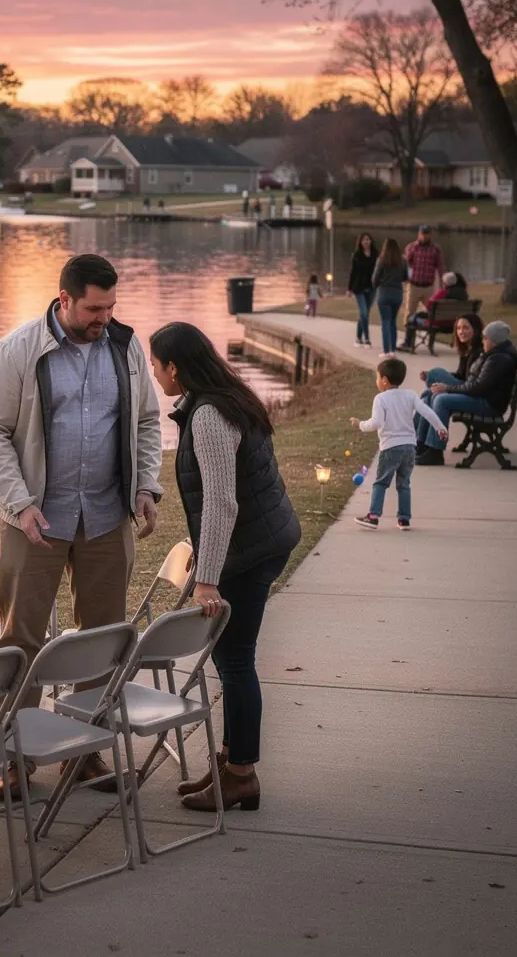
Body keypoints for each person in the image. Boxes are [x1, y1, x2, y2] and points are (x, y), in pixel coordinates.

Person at [0, 253, 163, 799]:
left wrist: (145, 486)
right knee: (21, 639)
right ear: (64, 301)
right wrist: (19, 503)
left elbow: (147, 422)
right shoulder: (17, 351)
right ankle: (12, 757)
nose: (104, 317)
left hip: (107, 516)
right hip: (33, 520)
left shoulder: (127, 349)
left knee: (102, 640)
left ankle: (85, 753)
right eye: (93, 308)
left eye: (110, 307)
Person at [150, 322, 301, 813]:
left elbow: (222, 503)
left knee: (235, 663)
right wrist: (204, 549)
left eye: (155, 365)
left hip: (251, 550)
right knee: (232, 659)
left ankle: (241, 776)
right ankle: (231, 761)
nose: (154, 374)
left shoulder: (210, 415)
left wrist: (208, 576)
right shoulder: (226, 396)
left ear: (174, 366)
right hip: (262, 540)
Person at [350, 358, 447, 531]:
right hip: (409, 447)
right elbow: (427, 411)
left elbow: (376, 422)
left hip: (390, 447)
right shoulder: (410, 395)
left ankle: (373, 516)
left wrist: (360, 424)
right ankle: (404, 519)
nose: (377, 381)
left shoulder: (381, 399)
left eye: (377, 378)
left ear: (385, 380)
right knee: (404, 484)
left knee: (381, 482)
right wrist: (440, 427)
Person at [415, 321, 517, 466]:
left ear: (494, 341)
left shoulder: (498, 359)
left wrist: (448, 388)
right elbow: (477, 384)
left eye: (486, 338)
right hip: (485, 398)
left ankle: (435, 451)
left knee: (440, 400)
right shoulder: (495, 354)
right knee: (432, 395)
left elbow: (478, 387)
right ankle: (422, 444)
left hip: (488, 404)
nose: (483, 341)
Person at [400, 271, 468, 351]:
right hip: (455, 322)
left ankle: (407, 343)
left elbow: (429, 305)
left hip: (438, 322)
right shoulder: (464, 294)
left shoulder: (443, 292)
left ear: (445, 282)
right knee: (418, 316)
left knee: (411, 318)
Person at [372, 237, 408, 358]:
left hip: (384, 292)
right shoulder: (403, 260)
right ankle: (392, 349)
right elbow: (405, 277)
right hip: (397, 293)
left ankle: (386, 350)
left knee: (385, 321)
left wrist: (378, 284)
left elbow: (375, 278)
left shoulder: (381, 260)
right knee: (393, 321)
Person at [403, 225, 445, 316]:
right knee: (409, 312)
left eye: (426, 234)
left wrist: (443, 282)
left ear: (430, 235)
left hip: (428, 287)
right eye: (422, 234)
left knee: (431, 312)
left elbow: (440, 266)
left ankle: (429, 329)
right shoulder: (411, 247)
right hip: (414, 285)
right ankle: (409, 330)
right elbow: (405, 264)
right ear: (419, 234)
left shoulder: (435, 249)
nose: (424, 236)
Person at [347, 232, 377, 348]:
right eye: (364, 240)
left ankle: (358, 338)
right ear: (360, 242)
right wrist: (349, 289)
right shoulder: (356, 255)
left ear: (371, 241)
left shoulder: (376, 255)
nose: (366, 242)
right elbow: (353, 273)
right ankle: (367, 339)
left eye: (368, 239)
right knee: (364, 313)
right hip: (359, 288)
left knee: (364, 314)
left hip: (372, 288)